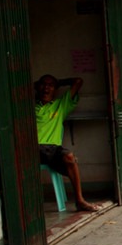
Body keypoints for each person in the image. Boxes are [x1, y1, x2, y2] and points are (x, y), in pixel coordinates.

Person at [35, 75, 100, 212]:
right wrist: (38, 84)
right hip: (32, 148)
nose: (46, 87)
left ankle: (80, 200)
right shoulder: (29, 105)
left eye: (50, 85)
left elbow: (78, 81)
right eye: (43, 84)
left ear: (56, 89)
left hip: (52, 149)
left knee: (70, 157)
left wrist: (59, 82)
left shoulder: (60, 105)